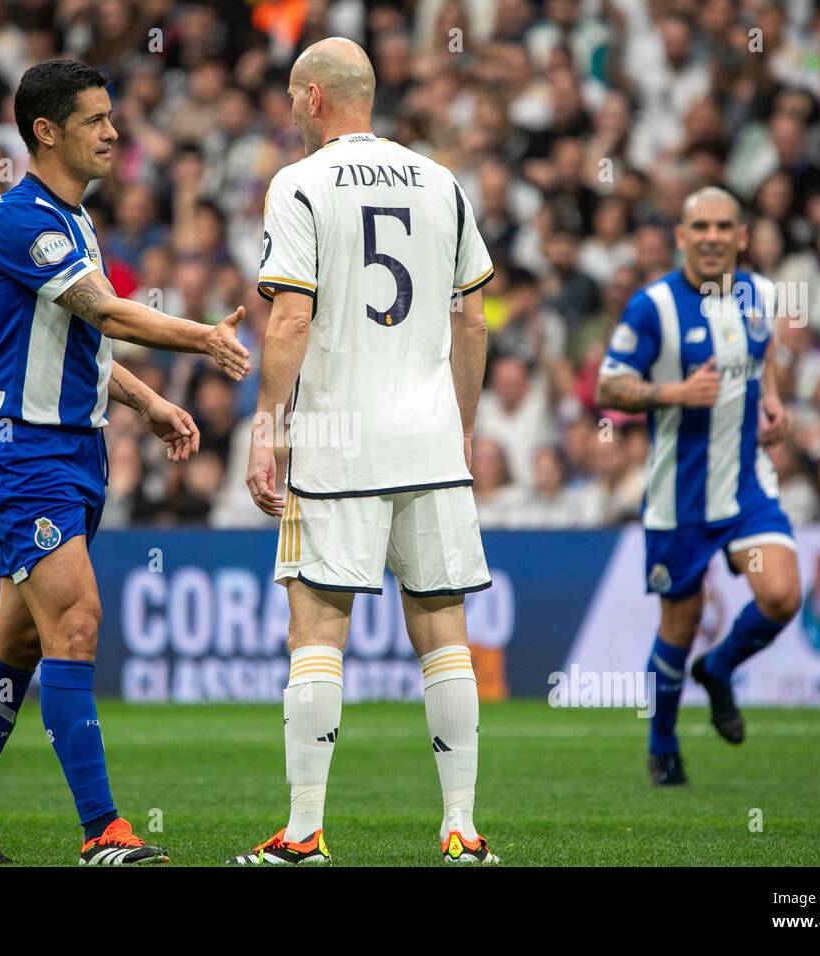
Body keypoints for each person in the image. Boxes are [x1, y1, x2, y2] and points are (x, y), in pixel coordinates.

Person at [0, 58, 249, 866]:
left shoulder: (77, 221)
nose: (114, 131)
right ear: (47, 131)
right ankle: (103, 830)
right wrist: (201, 335)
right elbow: (101, 308)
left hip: (73, 450)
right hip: (21, 453)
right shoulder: (18, 221)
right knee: (76, 624)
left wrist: (151, 403)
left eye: (111, 117)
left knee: (16, 645)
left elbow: (81, 341)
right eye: (97, 120)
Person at [234, 38, 500, 865]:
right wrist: (461, 424)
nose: (289, 111)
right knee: (443, 629)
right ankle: (461, 828)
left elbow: (289, 318)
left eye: (290, 97)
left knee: (317, 628)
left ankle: (305, 834)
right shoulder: (440, 180)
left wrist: (268, 422)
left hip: (339, 441)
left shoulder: (299, 184)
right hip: (427, 438)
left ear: (313, 99)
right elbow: (469, 318)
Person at [597, 186, 803, 786]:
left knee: (782, 594)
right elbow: (611, 387)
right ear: (682, 238)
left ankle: (720, 669)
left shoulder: (762, 295)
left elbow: (763, 357)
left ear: (741, 236)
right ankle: (662, 744)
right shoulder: (652, 306)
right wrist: (673, 394)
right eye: (701, 227)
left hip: (745, 487)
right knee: (677, 627)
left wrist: (772, 401)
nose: (713, 237)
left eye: (724, 226)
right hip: (677, 498)